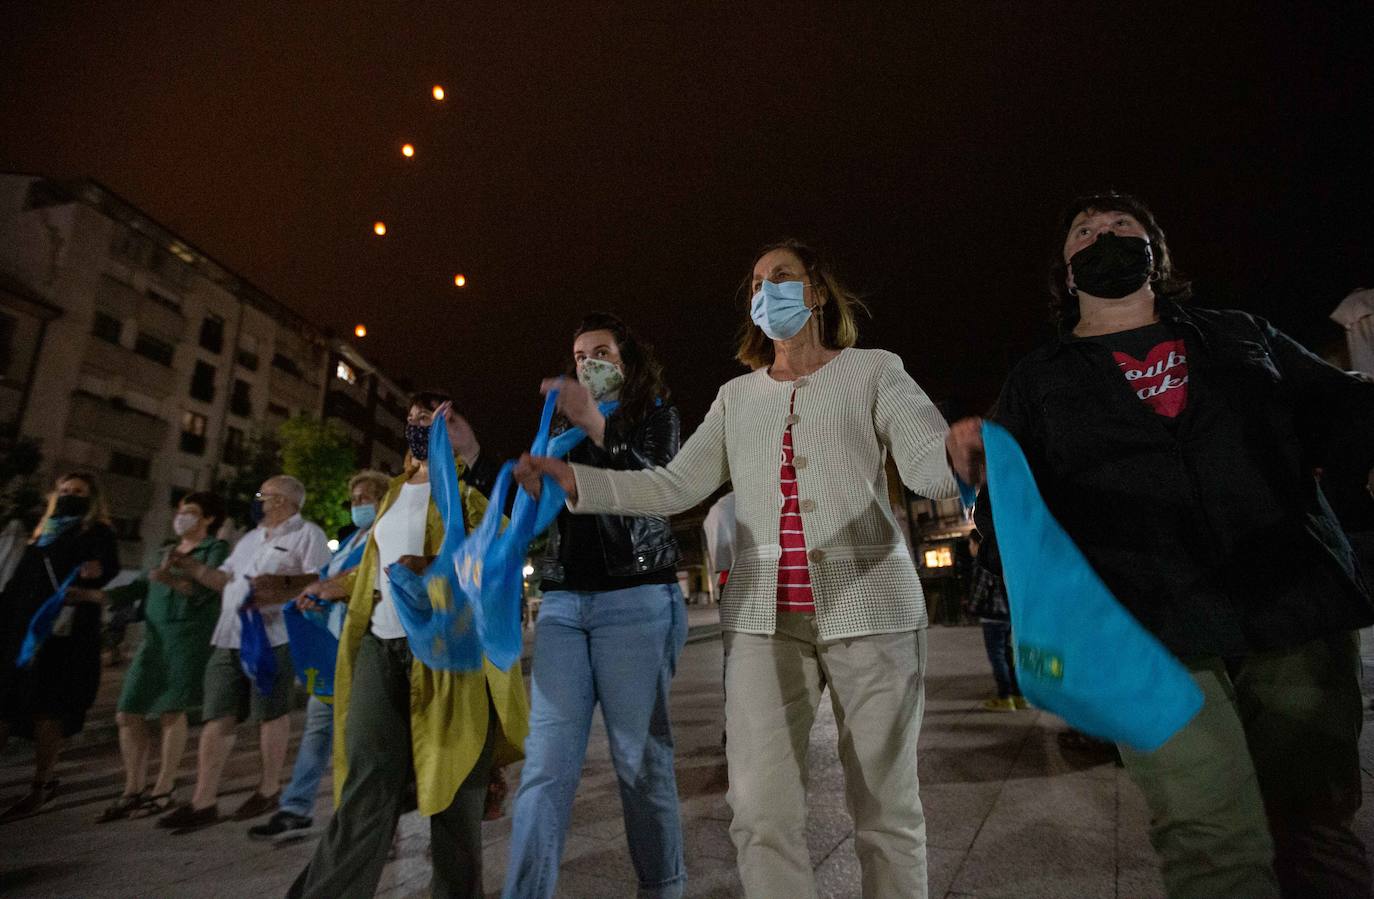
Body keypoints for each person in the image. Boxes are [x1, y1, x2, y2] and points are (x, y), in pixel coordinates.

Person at [518, 240, 982, 899]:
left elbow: (924, 462)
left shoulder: (876, 371)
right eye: (756, 285)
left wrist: (959, 462)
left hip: (872, 609)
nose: (766, 293)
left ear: (817, 291)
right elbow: (675, 485)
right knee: (760, 812)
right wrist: (579, 480)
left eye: (781, 278)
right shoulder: (737, 398)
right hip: (767, 622)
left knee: (887, 808)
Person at [971, 191, 1374, 898]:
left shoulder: (1243, 334)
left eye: (1124, 225)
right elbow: (1014, 519)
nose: (1105, 234)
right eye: (1085, 231)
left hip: (1291, 608)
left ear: (1157, 253)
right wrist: (980, 465)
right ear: (1068, 274)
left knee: (1313, 830)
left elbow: (1341, 410)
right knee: (1211, 838)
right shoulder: (1038, 382)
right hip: (1148, 635)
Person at [288, 392, 529, 899]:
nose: (419, 425)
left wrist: (437, 567)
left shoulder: (465, 494)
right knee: (366, 785)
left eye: (432, 417)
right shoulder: (393, 493)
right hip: (381, 644)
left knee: (455, 788)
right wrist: (332, 586)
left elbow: (496, 552)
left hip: (447, 652)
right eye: (412, 419)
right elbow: (377, 566)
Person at [502, 312, 688, 899]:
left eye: (601, 352)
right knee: (544, 771)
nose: (588, 363)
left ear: (625, 361)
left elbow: (661, 482)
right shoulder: (558, 430)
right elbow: (529, 514)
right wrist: (508, 473)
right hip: (562, 607)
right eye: (579, 355)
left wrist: (599, 427)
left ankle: (662, 888)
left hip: (634, 600)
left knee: (639, 764)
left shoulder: (654, 414)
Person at [155, 475, 331, 831]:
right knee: (218, 715)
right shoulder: (250, 539)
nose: (259, 502)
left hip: (274, 637)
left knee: (270, 715)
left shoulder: (307, 535)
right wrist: (193, 570)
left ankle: (268, 788)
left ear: (282, 501)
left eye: (263, 496)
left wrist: (281, 588)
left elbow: (321, 579)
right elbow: (224, 580)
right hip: (229, 636)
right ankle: (203, 800)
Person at [247, 470, 389, 842]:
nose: (359, 504)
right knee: (317, 730)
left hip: (367, 650)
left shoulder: (387, 537)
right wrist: (312, 593)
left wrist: (333, 588)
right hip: (333, 650)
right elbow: (324, 575)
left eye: (367, 497)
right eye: (355, 499)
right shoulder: (350, 540)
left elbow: (371, 578)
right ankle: (296, 808)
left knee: (363, 741)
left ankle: (371, 825)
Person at [95, 492, 230, 822]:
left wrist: (171, 577)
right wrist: (94, 595)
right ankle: (132, 788)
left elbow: (209, 590)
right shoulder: (163, 552)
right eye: (181, 511)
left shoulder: (214, 550)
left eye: (192, 512)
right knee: (128, 711)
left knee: (172, 710)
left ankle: (163, 788)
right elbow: (140, 587)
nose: (182, 517)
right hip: (153, 639)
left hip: (189, 637)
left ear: (208, 519)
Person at [0, 471, 119, 821]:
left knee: (48, 710)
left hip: (61, 636)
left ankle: (42, 783)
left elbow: (105, 571)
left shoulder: (96, 533)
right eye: (64, 490)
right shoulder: (42, 534)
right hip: (21, 633)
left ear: (92, 499)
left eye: (78, 492)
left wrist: (95, 571)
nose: (69, 496)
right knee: (4, 705)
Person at [963, 531, 1023, 712]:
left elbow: (980, 590)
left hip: (992, 616)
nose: (970, 548)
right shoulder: (1003, 556)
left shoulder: (984, 562)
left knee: (997, 656)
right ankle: (1018, 696)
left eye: (970, 544)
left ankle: (1005, 697)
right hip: (1007, 614)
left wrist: (971, 608)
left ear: (977, 544)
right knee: (1009, 655)